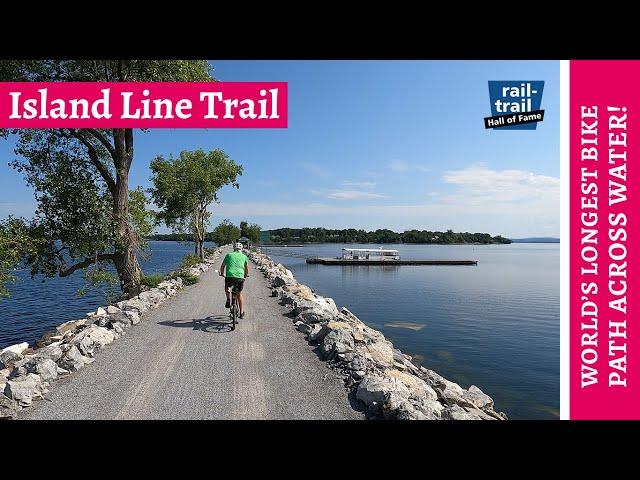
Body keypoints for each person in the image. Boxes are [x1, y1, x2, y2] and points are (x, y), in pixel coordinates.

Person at [219, 242, 249, 318]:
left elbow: (222, 266)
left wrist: (222, 274)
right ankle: (241, 312)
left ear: (234, 248)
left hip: (229, 276)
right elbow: (246, 268)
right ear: (241, 249)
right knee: (239, 293)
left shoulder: (228, 255)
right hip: (240, 278)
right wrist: (245, 275)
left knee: (227, 288)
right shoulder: (244, 256)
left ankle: (228, 299)